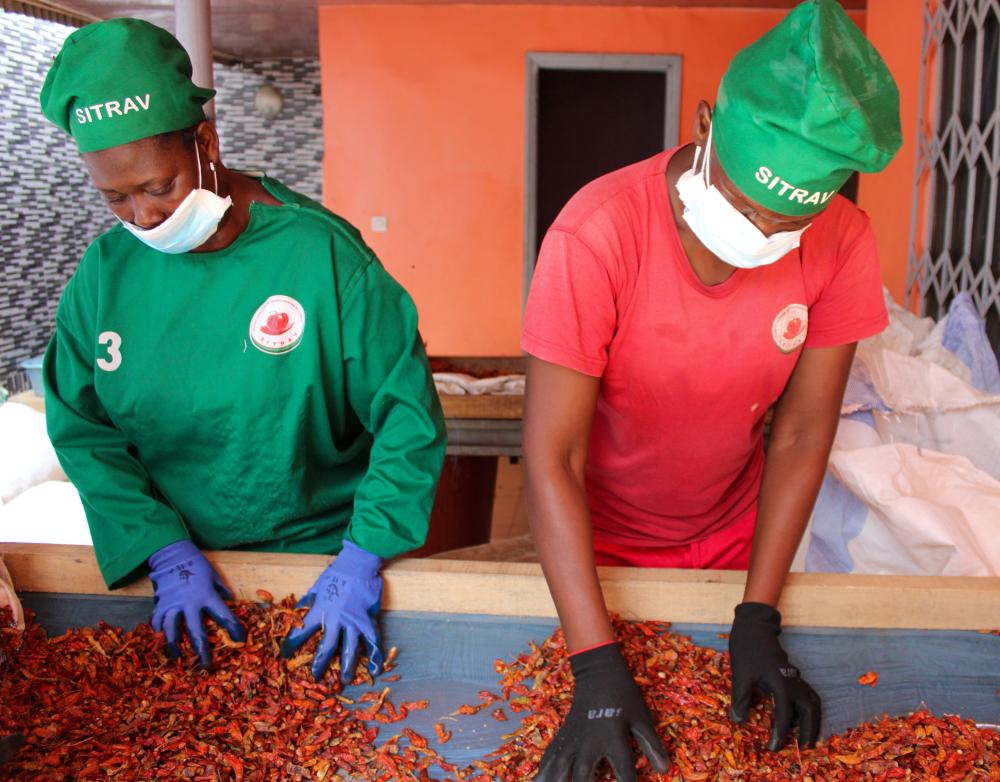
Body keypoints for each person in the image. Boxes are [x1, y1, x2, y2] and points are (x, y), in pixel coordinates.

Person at [521, 1, 902, 778]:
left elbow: (799, 435)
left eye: (782, 224)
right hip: (598, 548)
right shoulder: (595, 236)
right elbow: (551, 459)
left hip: (734, 538)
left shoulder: (842, 243)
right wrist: (594, 667)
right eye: (738, 201)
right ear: (702, 123)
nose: (755, 236)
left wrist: (756, 614)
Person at [38, 18, 446, 683]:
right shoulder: (104, 279)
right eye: (115, 198)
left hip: (321, 565)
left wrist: (363, 554)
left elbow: (407, 415)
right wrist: (162, 550)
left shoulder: (320, 258)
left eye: (158, 187)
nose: (143, 217)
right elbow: (83, 428)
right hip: (175, 571)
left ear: (206, 142)